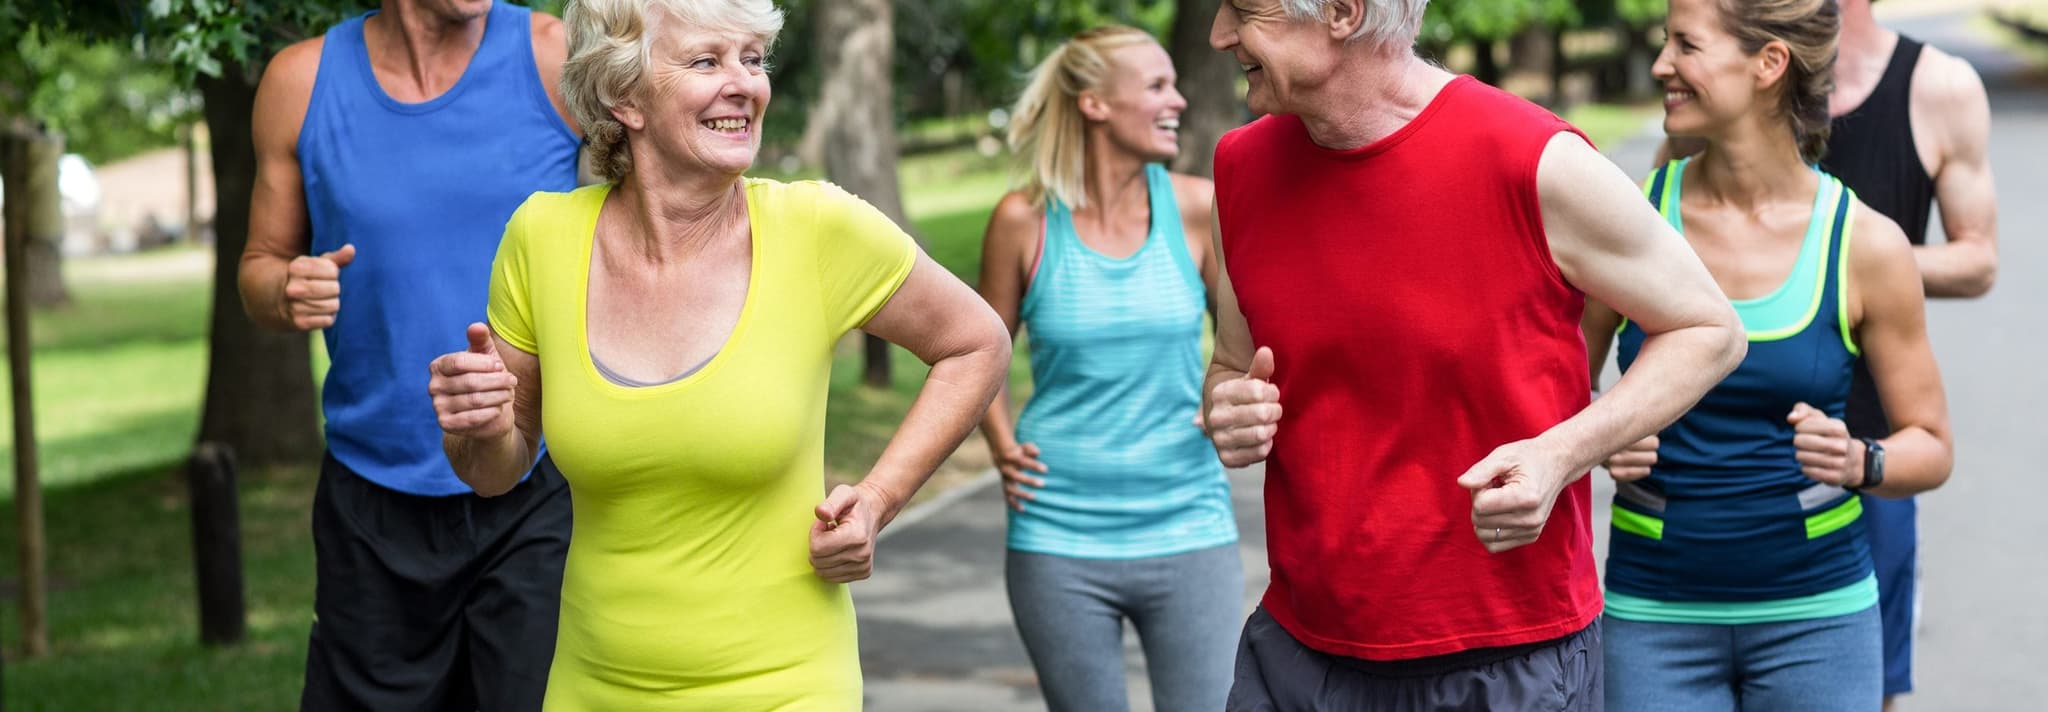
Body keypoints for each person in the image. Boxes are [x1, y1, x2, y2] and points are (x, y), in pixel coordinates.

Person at [425, 0, 1011, 707]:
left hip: (787, 687)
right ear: (624, 95)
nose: (745, 84)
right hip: (595, 687)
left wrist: (877, 502)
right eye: (707, 60)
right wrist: (480, 430)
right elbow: (493, 473)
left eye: (753, 59)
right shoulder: (542, 238)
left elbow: (977, 342)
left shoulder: (816, 229)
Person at [1200, 0, 1747, 708]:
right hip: (1299, 655)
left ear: (1341, 12)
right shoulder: (1241, 168)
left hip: (1505, 660)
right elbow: (1232, 368)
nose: (1218, 33)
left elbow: (1709, 328)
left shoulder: (1533, 158)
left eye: (1244, 9)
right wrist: (1229, 409)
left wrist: (1560, 453)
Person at [1589, 0, 1956, 707]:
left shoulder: (1865, 242)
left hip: (1819, 620)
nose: (1662, 64)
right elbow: (1549, 398)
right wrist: (1599, 429)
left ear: (1769, 63)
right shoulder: (1630, 221)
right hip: (1652, 616)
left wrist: (1860, 460)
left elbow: (1932, 445)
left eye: (1686, 46)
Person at [238, 0, 579, 708]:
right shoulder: (299, 82)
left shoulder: (557, 57)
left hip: (537, 487)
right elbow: (261, 265)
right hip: (372, 502)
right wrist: (285, 288)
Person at [975, 25, 1242, 712]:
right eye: (1156, 86)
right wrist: (1001, 444)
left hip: (1191, 524)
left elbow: (1247, 345)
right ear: (1094, 104)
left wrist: (1230, 392)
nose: (1178, 100)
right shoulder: (1022, 222)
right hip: (1058, 534)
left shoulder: (1197, 208)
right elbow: (977, 352)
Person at [1826, 2, 1997, 706]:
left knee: (1874, 685)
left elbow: (1977, 261)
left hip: (1874, 441)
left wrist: (1849, 264)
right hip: (1739, 442)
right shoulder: (1744, 78)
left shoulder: (1939, 87)